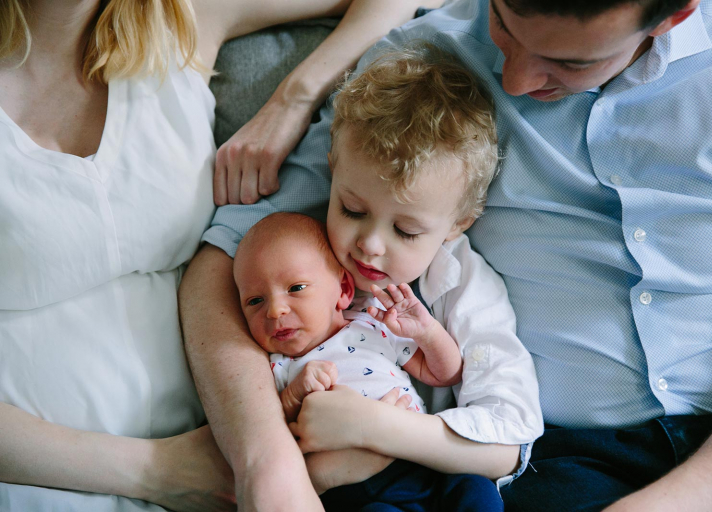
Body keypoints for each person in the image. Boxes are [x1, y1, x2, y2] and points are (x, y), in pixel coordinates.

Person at [183, 0, 712, 510]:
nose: (512, 81)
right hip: (556, 462)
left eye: (570, 62)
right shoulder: (418, 68)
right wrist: (269, 469)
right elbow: (232, 252)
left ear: (674, 15)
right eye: (504, 25)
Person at [0, 0, 440, 511]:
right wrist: (154, 470)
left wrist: (293, 101)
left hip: (235, 467)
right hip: (48, 484)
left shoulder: (180, 18)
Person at [233, 212, 508, 512]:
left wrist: (428, 333)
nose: (274, 310)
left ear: (344, 291)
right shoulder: (277, 365)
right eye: (255, 301)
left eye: (296, 288)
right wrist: (294, 394)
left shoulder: (373, 326)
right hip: (356, 488)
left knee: (477, 489)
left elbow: (445, 374)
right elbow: (270, 432)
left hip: (420, 460)